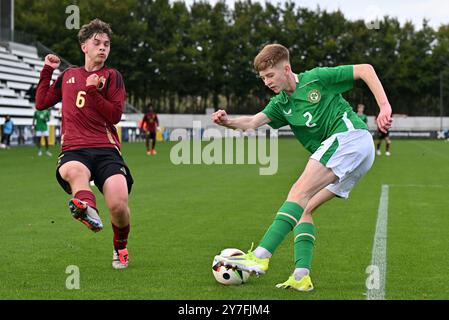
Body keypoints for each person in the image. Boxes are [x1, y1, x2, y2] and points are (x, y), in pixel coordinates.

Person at [212, 44, 392, 292]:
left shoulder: (316, 79)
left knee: (298, 192)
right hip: (355, 153)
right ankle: (300, 275)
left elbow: (365, 69)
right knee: (304, 209)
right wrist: (227, 121)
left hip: (350, 139)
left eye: (270, 75)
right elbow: (253, 122)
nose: (266, 82)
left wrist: (384, 106)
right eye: (263, 78)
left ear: (286, 69)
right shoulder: (280, 104)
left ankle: (261, 255)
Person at [35, 19, 134, 269]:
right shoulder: (69, 75)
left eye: (107, 44)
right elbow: (42, 102)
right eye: (97, 43)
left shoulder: (112, 77)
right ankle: (88, 209)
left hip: (106, 149)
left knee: (119, 204)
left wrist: (93, 91)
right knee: (73, 170)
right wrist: (47, 70)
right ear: (84, 47)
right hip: (74, 149)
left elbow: (114, 116)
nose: (103, 48)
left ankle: (120, 246)